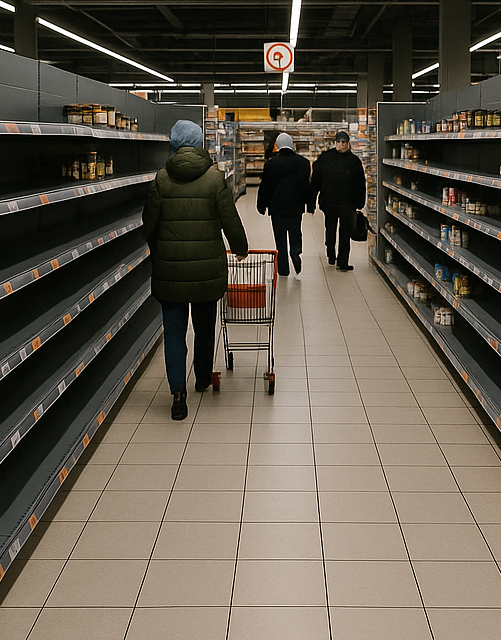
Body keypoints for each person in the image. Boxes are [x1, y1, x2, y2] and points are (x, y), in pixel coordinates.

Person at [143, 119, 248, 421]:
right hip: (206, 270)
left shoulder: (161, 180)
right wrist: (240, 247)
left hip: (170, 271)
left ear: (173, 145)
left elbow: (148, 225)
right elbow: (230, 219)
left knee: (174, 332)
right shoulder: (214, 179)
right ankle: (202, 378)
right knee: (204, 327)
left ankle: (178, 394)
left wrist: (160, 249)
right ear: (200, 144)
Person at [256, 132, 314, 276]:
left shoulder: (271, 164)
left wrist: (261, 204)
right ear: (291, 144)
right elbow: (306, 186)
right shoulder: (303, 162)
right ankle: (295, 252)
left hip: (277, 207)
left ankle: (283, 269)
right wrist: (310, 204)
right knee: (295, 231)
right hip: (296, 206)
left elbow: (266, 186)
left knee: (280, 237)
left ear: (278, 145)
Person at [310, 129, 366, 271]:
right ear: (335, 143)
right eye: (339, 142)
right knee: (330, 229)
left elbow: (360, 183)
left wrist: (360, 202)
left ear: (348, 144)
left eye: (344, 142)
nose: (341, 144)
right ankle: (330, 252)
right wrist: (312, 198)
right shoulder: (326, 158)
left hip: (348, 203)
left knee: (345, 232)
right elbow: (316, 180)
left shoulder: (354, 161)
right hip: (329, 202)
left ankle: (343, 261)